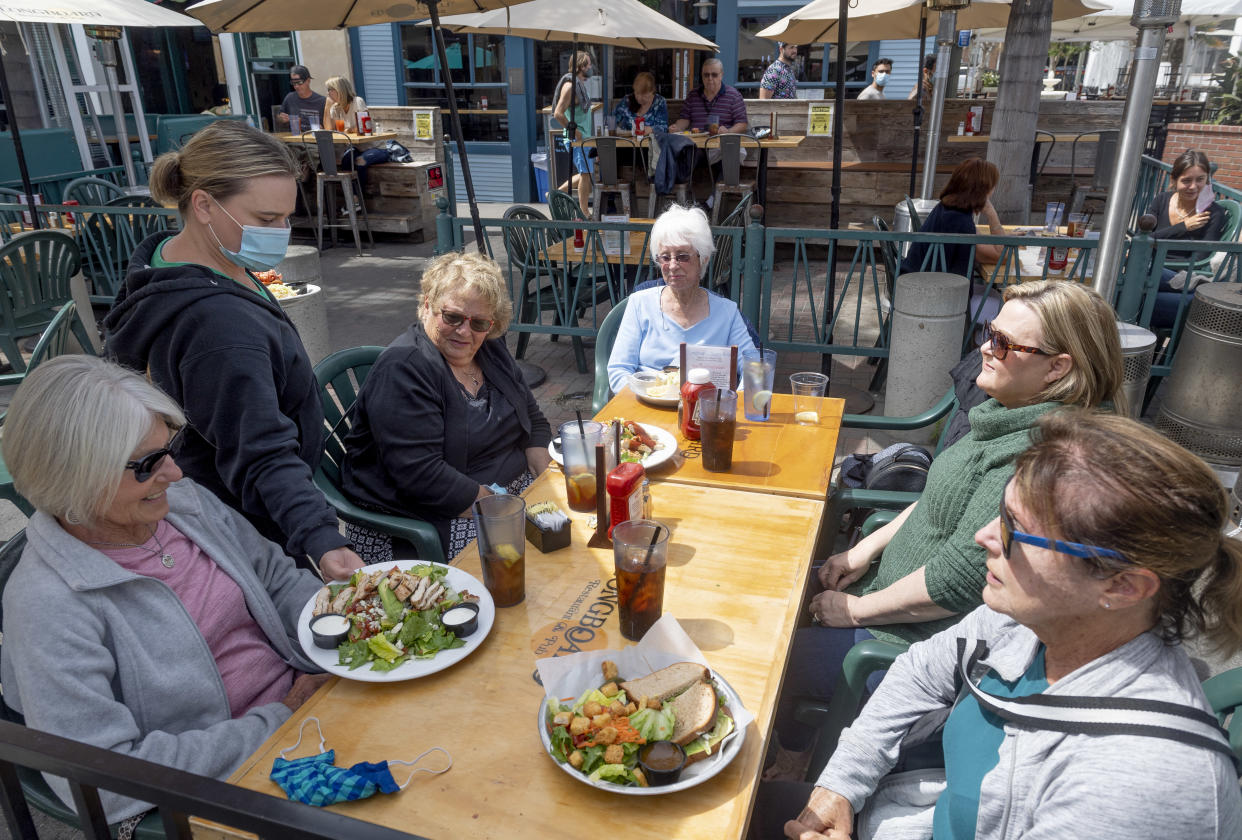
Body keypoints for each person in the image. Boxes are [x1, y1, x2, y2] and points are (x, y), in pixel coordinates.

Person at [779, 409, 1242, 840]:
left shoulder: (1137, 786)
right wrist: (840, 786)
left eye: (1013, 528)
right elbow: (919, 671)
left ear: (1123, 587)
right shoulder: (1034, 620)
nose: (983, 537)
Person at [767, 280, 1124, 776]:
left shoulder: (1043, 455)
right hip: (887, 602)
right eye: (989, 330)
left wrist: (854, 611)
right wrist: (863, 551)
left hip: (907, 645)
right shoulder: (1006, 413)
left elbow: (959, 580)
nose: (984, 347)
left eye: (1004, 343)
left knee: (770, 663)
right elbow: (940, 492)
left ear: (1058, 368)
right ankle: (800, 747)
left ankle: (795, 759)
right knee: (773, 587)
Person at [0, 356, 330, 827]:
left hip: (311, 703)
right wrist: (282, 717)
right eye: (147, 464)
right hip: (219, 790)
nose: (174, 472)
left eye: (168, 448)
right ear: (74, 474)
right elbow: (103, 779)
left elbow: (277, 577)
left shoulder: (183, 506)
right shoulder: (47, 605)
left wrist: (345, 636)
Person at [102, 121, 363, 582]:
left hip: (207, 506)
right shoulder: (218, 328)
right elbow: (259, 448)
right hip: (239, 527)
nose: (281, 232)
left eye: (286, 217)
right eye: (266, 220)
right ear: (203, 204)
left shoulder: (172, 260)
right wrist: (320, 536)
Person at [341, 251, 553, 562]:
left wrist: (548, 479)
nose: (465, 331)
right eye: (452, 317)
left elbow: (531, 417)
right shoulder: (403, 369)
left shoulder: (489, 348)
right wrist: (501, 510)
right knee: (537, 565)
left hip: (506, 494)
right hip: (434, 515)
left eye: (479, 322)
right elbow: (421, 475)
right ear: (427, 305)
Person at [607, 204, 756, 393]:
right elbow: (618, 370)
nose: (672, 265)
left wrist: (731, 403)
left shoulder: (727, 312)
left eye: (683, 256)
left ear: (704, 259)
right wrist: (646, 398)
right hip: (648, 408)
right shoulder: (639, 304)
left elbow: (754, 370)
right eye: (665, 257)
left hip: (705, 413)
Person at [1145, 149, 1228, 328]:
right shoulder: (1161, 200)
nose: (1193, 186)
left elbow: (1199, 258)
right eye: (1186, 180)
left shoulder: (1214, 213)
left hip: (1180, 275)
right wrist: (1183, 227)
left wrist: (1158, 253)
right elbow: (1144, 238)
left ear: (1207, 180)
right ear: (1174, 180)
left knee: (1139, 291)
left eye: (1200, 179)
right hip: (1152, 267)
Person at [900, 157, 1005, 278]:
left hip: (918, 282)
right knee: (998, 296)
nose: (993, 190)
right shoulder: (960, 221)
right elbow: (1000, 257)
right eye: (992, 186)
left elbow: (982, 242)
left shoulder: (947, 208)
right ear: (982, 190)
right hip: (932, 293)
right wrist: (991, 213)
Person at [324, 75, 389, 206]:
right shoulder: (335, 108)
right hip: (357, 148)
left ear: (339, 89)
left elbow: (364, 127)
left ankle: (360, 199)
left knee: (359, 161)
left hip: (376, 148)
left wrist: (349, 130)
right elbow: (330, 129)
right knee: (346, 161)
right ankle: (354, 199)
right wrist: (327, 105)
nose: (328, 93)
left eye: (330, 89)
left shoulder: (357, 102)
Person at [552, 50, 596, 211]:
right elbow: (558, 113)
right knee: (585, 174)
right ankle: (584, 212)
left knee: (587, 174)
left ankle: (555, 194)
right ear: (581, 66)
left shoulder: (579, 84)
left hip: (584, 136)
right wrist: (575, 131)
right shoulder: (570, 86)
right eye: (589, 64)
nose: (591, 67)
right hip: (576, 138)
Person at [671, 58, 749, 137]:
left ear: (721, 75)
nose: (710, 78)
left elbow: (742, 124)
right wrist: (677, 127)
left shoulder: (734, 96)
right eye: (706, 75)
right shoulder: (693, 95)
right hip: (697, 144)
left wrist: (728, 131)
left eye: (714, 75)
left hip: (722, 142)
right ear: (702, 76)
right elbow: (684, 119)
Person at [277, 64, 327, 129]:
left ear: (308, 81)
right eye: (293, 82)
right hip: (295, 137)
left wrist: (323, 128)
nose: (296, 86)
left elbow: (329, 127)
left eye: (299, 82)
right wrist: (281, 119)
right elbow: (279, 118)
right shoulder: (289, 98)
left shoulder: (322, 101)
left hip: (314, 138)